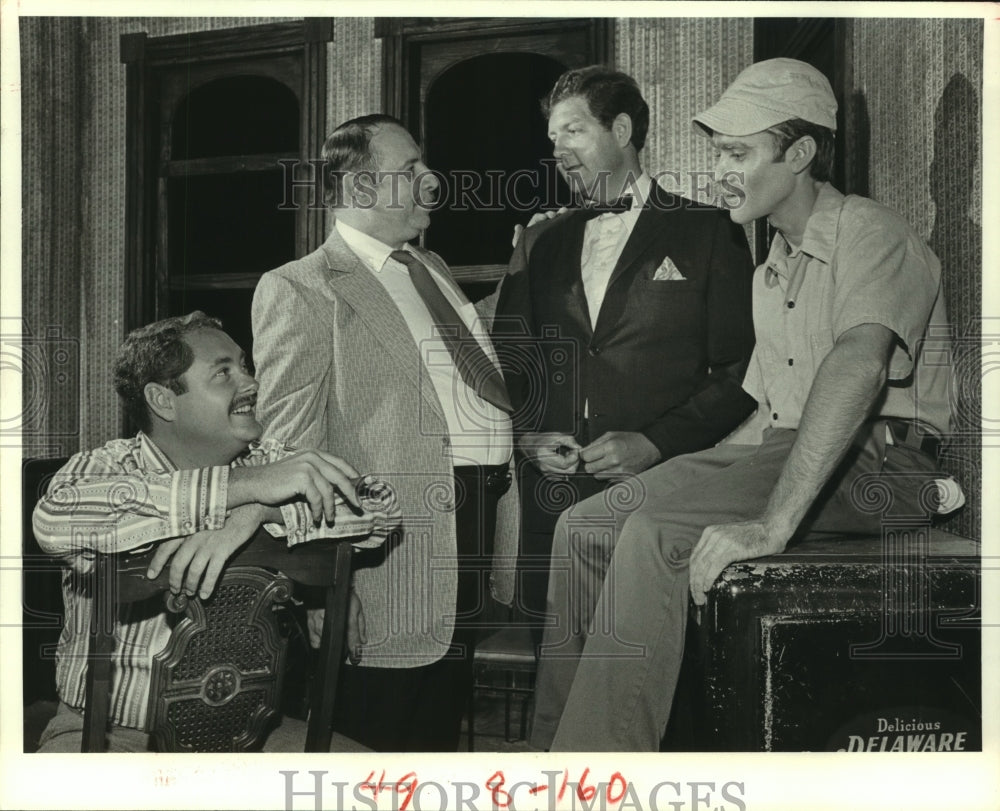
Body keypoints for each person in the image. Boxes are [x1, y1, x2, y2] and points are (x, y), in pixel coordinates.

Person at [530, 58, 959, 751]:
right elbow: (767, 419)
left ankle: (603, 767)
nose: (719, 170)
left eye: (737, 152)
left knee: (656, 532)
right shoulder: (772, 267)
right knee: (586, 524)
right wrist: (684, 466)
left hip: (883, 466)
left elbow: (857, 365)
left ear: (800, 153)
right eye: (716, 153)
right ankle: (553, 756)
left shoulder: (871, 231)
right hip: (788, 446)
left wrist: (769, 524)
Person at [251, 114, 518, 751]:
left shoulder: (433, 270)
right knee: (375, 746)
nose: (431, 180)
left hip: (470, 528)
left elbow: (455, 391)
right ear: (360, 188)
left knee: (439, 737)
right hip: (383, 558)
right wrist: (320, 587)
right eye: (411, 170)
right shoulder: (299, 287)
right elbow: (291, 449)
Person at [32, 311, 398, 752]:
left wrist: (260, 512)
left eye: (244, 366)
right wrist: (247, 487)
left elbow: (379, 507)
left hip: (254, 732)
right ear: (163, 400)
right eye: (224, 372)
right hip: (110, 735)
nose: (252, 384)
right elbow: (54, 521)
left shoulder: (268, 459)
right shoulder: (105, 467)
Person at [493, 66, 757, 646]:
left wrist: (656, 443)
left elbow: (739, 372)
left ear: (621, 128)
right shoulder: (538, 241)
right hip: (554, 508)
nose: (558, 151)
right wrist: (529, 437)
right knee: (562, 696)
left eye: (573, 132)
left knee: (655, 684)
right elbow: (510, 360)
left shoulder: (710, 230)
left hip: (664, 500)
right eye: (552, 138)